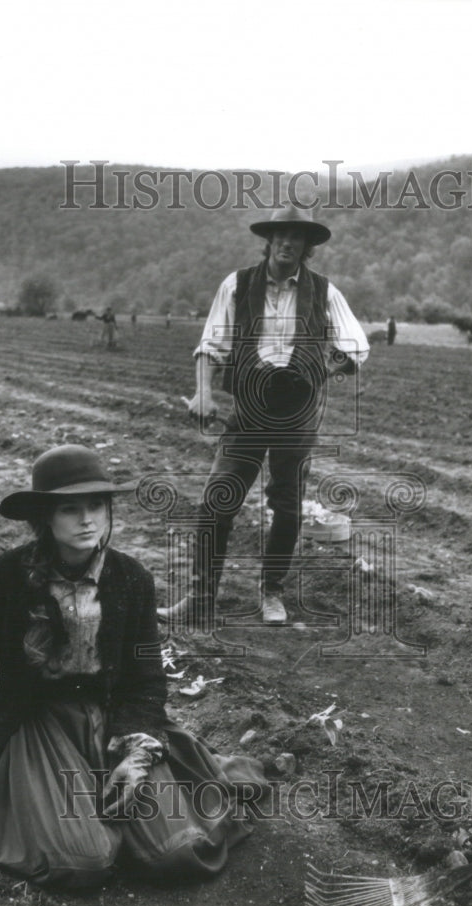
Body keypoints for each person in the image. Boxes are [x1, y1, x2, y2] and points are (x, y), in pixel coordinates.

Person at [0, 444, 265, 888]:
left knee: (179, 853)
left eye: (97, 506)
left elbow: (145, 681)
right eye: (70, 508)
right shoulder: (2, 578)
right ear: (44, 517)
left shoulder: (132, 579)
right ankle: (82, 824)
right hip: (36, 724)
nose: (87, 519)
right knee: (84, 863)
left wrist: (135, 755)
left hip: (114, 721)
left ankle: (134, 809)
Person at [157, 204, 369, 627]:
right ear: (269, 240)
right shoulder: (237, 286)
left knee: (288, 508)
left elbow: (358, 346)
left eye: (298, 237)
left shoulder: (324, 292)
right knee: (217, 501)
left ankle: (272, 592)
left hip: (298, 415)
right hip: (249, 411)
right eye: (281, 235)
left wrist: (323, 369)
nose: (288, 243)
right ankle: (201, 597)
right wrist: (203, 392)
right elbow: (210, 345)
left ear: (307, 246)